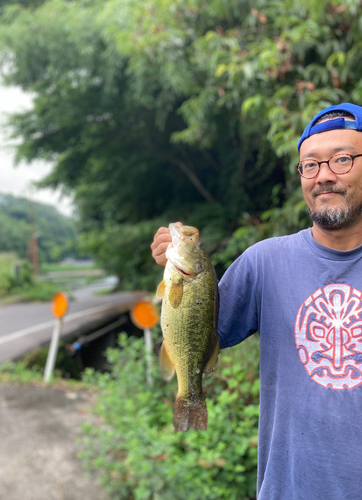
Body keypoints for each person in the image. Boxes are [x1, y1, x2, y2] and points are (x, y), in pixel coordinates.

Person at [151, 103, 362, 500]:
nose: (324, 176)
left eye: (343, 159)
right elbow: (198, 330)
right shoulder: (264, 262)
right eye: (310, 165)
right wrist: (171, 271)